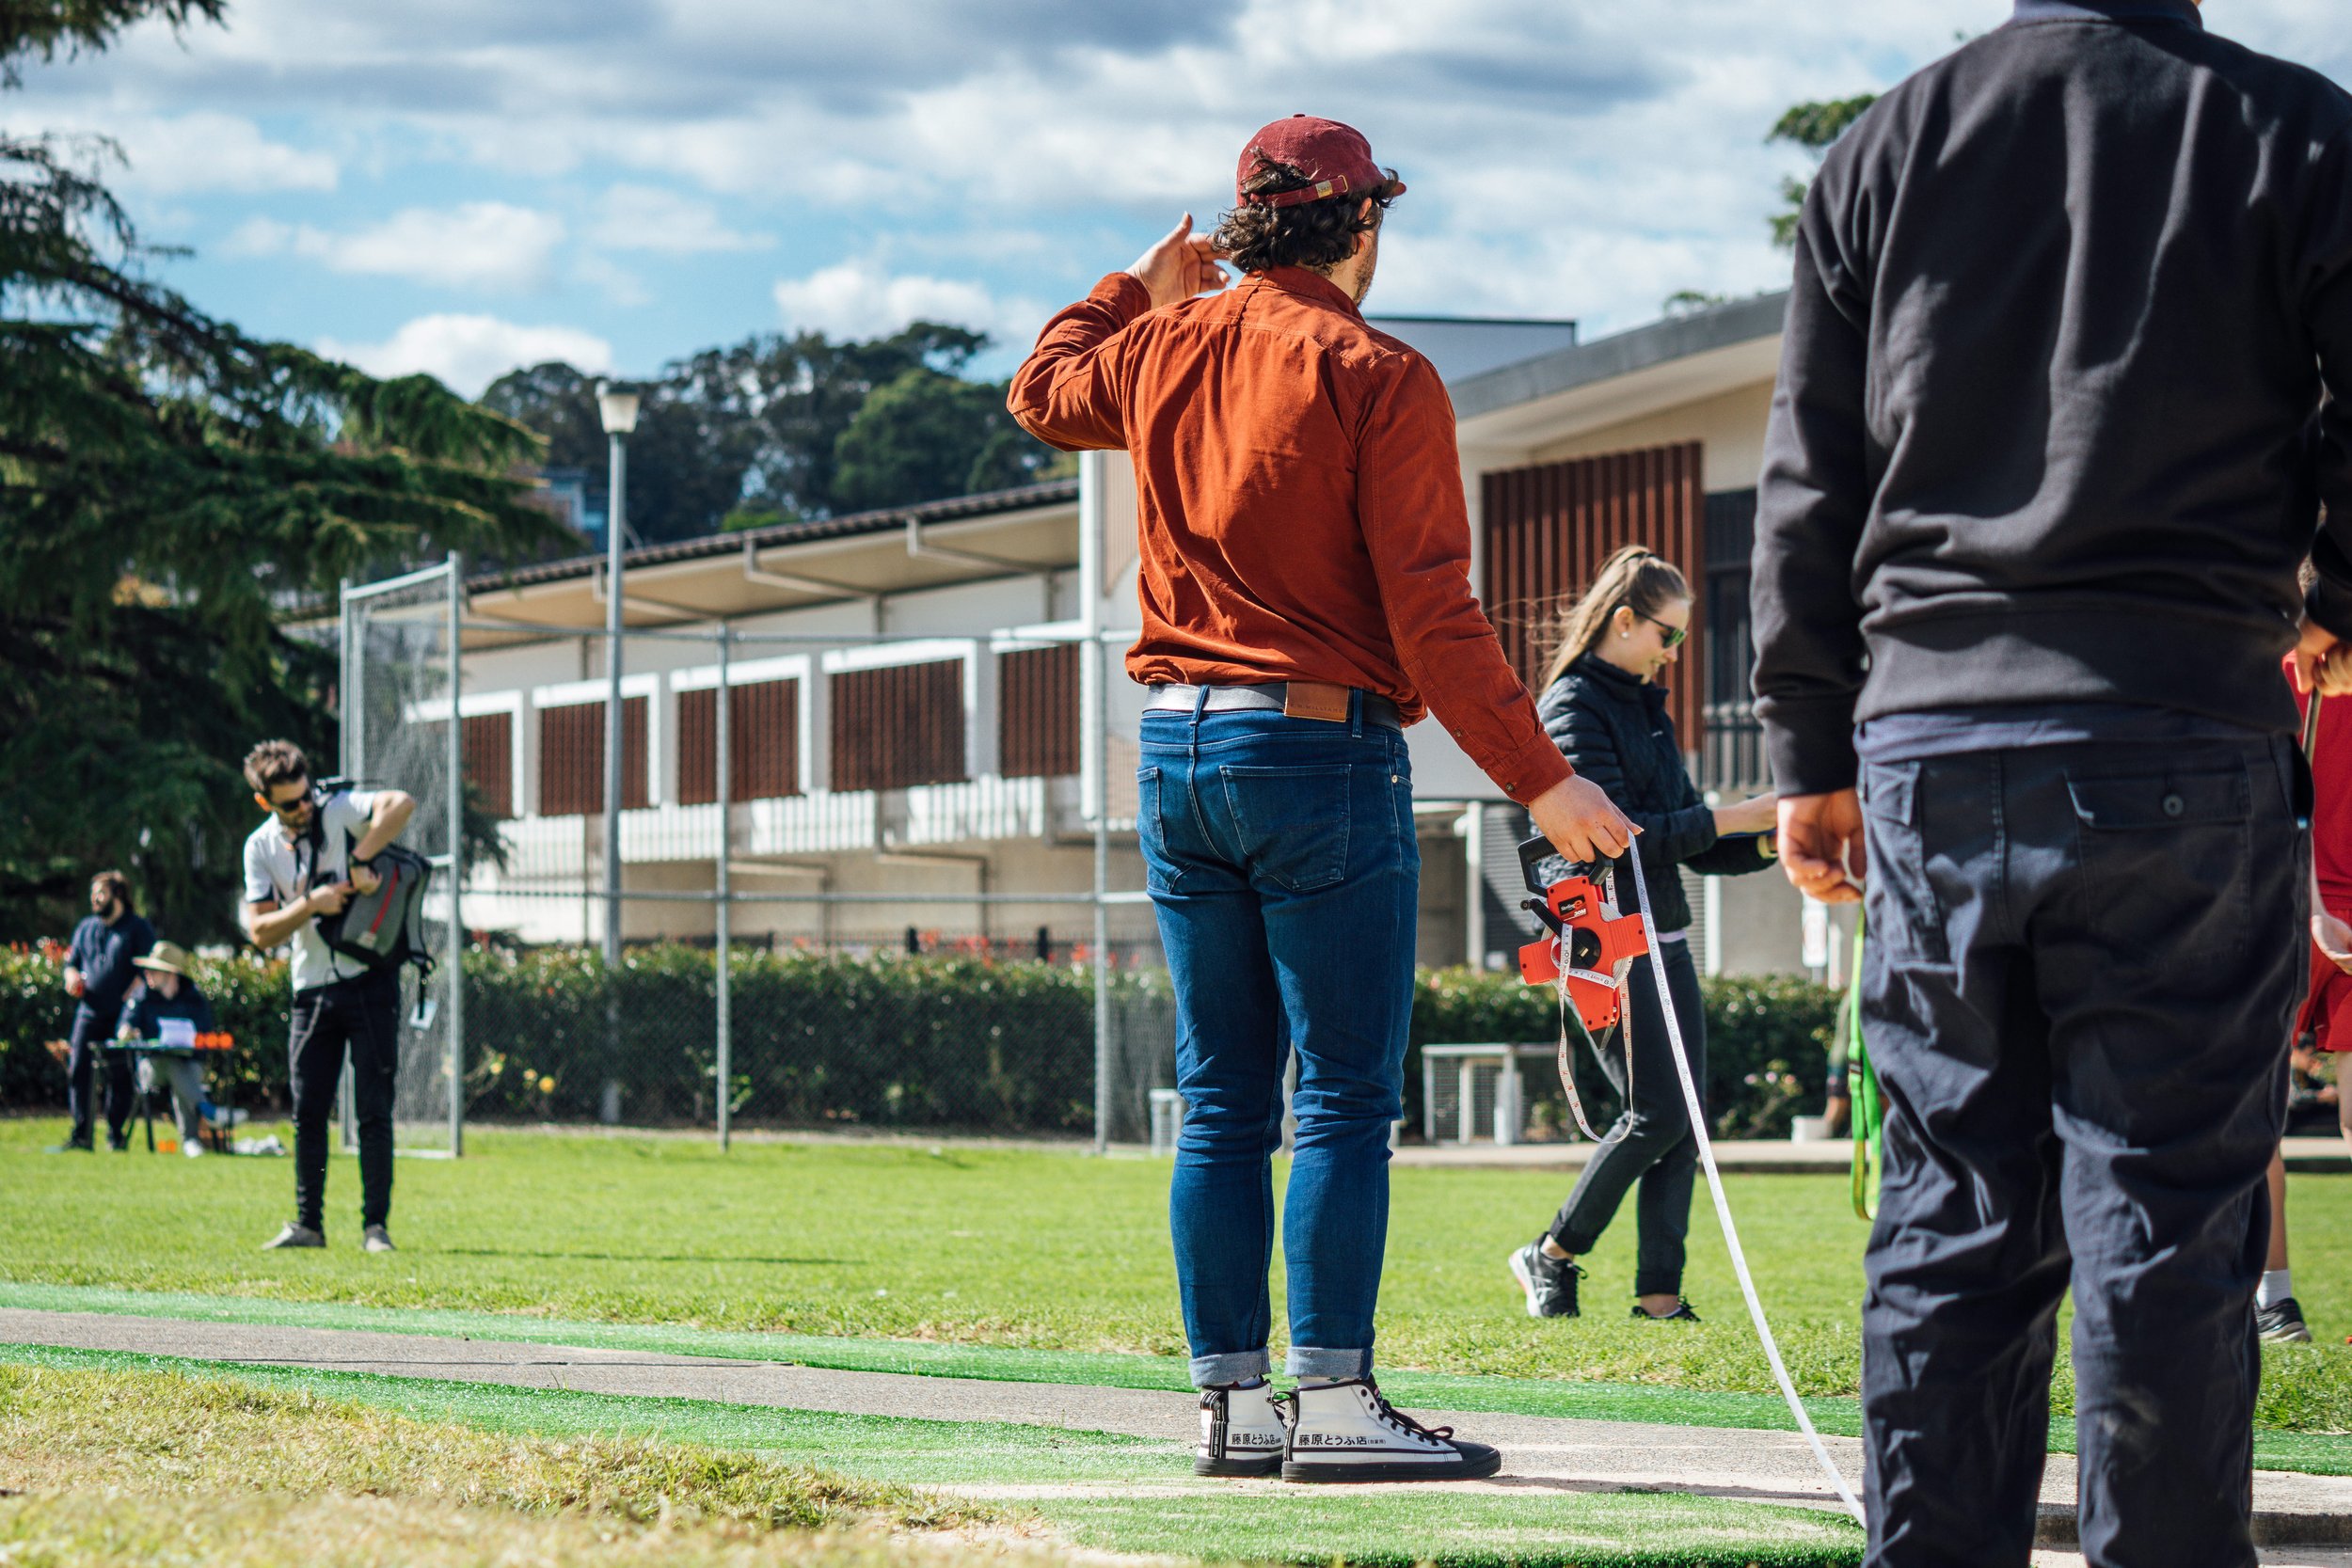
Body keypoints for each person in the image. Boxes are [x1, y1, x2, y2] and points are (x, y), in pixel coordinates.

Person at [1751, 4, 2352, 1564]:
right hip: (2178, 731)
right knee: (2164, 1218)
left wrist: (1810, 744)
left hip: (1935, 745)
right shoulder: (2293, 129)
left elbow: (1814, 462)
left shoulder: (1886, 144)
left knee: (1950, 1214)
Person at [1009, 114, 1633, 1482]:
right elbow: (1432, 608)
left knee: (1223, 1096)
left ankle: (1232, 1407)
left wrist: (1132, 287)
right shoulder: (1378, 368)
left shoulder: (1161, 346)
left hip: (1172, 752)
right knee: (1343, 1095)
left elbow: (1040, 390)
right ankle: (1337, 1400)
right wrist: (1546, 777)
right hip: (1317, 750)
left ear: (1243, 226)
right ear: (1363, 224)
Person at [1505, 546, 1779, 1323]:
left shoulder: (1644, 707)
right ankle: (1550, 1252)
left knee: (1681, 1117)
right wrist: (1734, 815)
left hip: (1665, 933)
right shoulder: (1572, 706)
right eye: (1669, 635)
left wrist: (1774, 834)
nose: (1673, 654)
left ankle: (1659, 1298)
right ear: (1624, 620)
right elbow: (1611, 836)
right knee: (1657, 1111)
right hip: (1609, 945)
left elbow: (1693, 840)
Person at [237, 739, 414, 1253]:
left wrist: (360, 857)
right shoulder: (259, 847)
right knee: (308, 1112)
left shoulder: (338, 811)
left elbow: (401, 804)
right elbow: (260, 931)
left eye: (306, 795)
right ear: (265, 802)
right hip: (310, 988)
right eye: (290, 802)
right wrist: (311, 905)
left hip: (370, 980)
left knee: (374, 1110)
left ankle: (375, 1228)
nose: (304, 807)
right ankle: (308, 1225)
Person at [2256, 662, 2352, 1344]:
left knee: (2252, 1111)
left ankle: (2274, 1301)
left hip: (2287, 904)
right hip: (2310, 903)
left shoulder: (2270, 662)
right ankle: (2274, 1303)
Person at [48, 870, 155, 1153]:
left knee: (119, 1074)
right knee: (78, 1069)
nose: (95, 898)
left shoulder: (137, 928)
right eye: (93, 893)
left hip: (122, 1015)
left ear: (118, 895)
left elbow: (148, 967)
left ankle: (114, 1133)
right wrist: (70, 976)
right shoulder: (86, 927)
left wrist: (136, 987)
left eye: (101, 892)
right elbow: (72, 963)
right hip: (89, 1010)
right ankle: (81, 1134)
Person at [115, 941, 242, 1157]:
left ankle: (193, 1141)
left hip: (188, 1065)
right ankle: (205, 1115)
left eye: (154, 970)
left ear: (170, 973)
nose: (148, 974)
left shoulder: (193, 999)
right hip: (151, 1069)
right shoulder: (141, 995)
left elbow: (204, 1036)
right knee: (171, 1063)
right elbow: (123, 1028)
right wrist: (126, 1032)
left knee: (180, 1068)